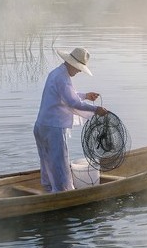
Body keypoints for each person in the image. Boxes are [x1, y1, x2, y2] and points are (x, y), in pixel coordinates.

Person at [34, 47, 108, 192]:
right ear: (73, 64)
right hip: (53, 128)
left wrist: (85, 95)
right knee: (60, 163)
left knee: (47, 162)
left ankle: (49, 190)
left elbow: (68, 95)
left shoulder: (56, 73)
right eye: (79, 68)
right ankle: (64, 193)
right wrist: (96, 110)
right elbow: (72, 102)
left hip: (41, 126)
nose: (79, 71)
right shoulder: (62, 78)